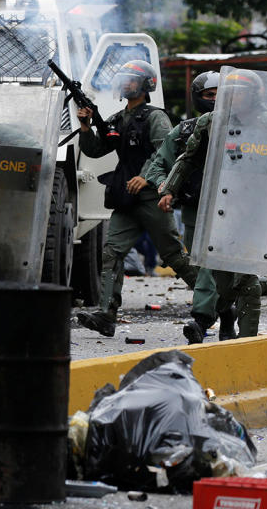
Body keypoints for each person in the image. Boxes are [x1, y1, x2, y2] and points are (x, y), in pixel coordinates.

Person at [158, 69, 267, 339]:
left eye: (241, 93)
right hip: (219, 205)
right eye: (232, 93)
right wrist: (169, 189)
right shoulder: (211, 122)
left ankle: (246, 343)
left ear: (254, 95)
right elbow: (187, 158)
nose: (234, 98)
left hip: (255, 208)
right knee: (224, 284)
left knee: (245, 280)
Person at [75, 60, 199, 337]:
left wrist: (147, 176)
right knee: (112, 252)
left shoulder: (156, 118)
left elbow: (167, 152)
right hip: (126, 198)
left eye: (132, 79)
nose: (126, 83)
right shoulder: (119, 118)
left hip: (151, 198)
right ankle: (107, 314)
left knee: (175, 258)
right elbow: (96, 150)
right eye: (124, 78)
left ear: (146, 85)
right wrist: (85, 127)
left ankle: (215, 303)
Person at [144, 71, 237, 343]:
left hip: (235, 210)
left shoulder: (248, 129)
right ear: (199, 99)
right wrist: (164, 185)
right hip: (196, 208)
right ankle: (224, 312)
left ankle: (202, 318)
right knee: (203, 266)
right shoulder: (185, 131)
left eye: (222, 94)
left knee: (219, 267)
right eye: (210, 95)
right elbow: (158, 165)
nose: (217, 100)